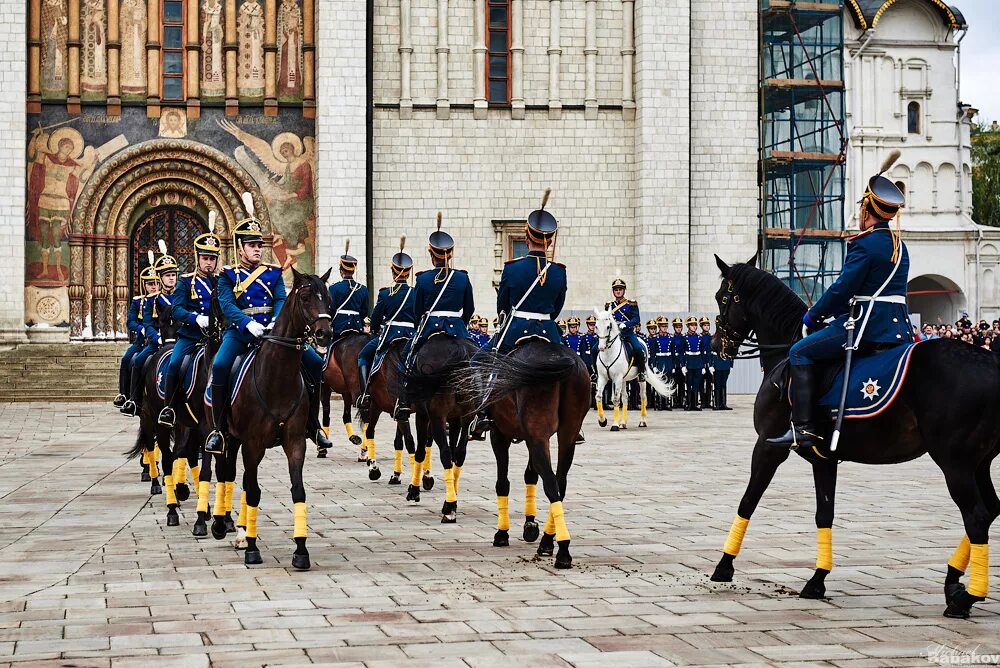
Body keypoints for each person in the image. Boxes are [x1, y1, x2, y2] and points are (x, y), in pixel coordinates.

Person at [768, 157, 912, 449]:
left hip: (867, 325)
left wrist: (813, 315)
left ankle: (805, 428)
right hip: (897, 326)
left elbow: (842, 289)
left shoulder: (865, 244)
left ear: (867, 211)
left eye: (862, 208)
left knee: (799, 351)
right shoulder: (899, 245)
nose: (860, 213)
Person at [206, 193, 329, 454]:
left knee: (316, 363)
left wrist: (275, 319)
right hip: (240, 333)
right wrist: (245, 323)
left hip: (272, 334)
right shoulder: (228, 275)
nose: (257, 248)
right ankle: (218, 429)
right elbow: (227, 304)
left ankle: (313, 425)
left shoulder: (272, 273)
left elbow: (281, 298)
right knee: (219, 365)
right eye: (251, 245)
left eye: (259, 244)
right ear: (240, 248)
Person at [470, 199, 565, 438]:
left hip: (516, 328)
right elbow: (556, 308)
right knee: (569, 369)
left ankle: (481, 414)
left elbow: (503, 304)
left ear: (527, 238)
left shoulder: (512, 268)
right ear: (550, 241)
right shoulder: (559, 271)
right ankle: (573, 421)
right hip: (548, 330)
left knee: (480, 361)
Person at [394, 214, 475, 421]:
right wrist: (460, 326)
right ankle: (481, 410)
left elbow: (418, 310)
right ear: (450, 254)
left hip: (429, 328)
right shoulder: (462, 277)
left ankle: (403, 401)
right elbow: (470, 308)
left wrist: (421, 325)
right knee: (477, 359)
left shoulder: (423, 279)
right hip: (458, 328)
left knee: (407, 355)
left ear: (432, 255)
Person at [157, 224, 221, 427]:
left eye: (212, 259)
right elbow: (176, 310)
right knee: (175, 363)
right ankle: (169, 408)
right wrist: (196, 318)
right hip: (191, 335)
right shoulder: (185, 282)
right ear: (198, 259)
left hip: (216, 336)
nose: (208, 263)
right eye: (205, 258)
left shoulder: (221, 282)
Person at [357, 236, 416, 414]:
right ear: (408, 273)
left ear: (393, 272)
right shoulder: (415, 293)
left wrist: (375, 331)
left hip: (390, 335)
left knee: (363, 356)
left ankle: (365, 394)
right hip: (411, 337)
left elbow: (376, 318)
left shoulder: (385, 294)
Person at [121, 252, 173, 417]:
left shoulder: (179, 298)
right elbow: (140, 323)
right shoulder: (145, 301)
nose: (153, 287)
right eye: (149, 284)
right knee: (135, 360)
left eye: (173, 275)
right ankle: (131, 398)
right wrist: (151, 334)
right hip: (151, 341)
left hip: (174, 339)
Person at [114, 264, 159, 408]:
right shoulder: (138, 301)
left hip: (162, 338)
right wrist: (142, 329)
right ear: (144, 285)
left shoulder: (164, 299)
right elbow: (130, 322)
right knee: (128, 359)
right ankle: (126, 394)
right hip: (142, 341)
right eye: (150, 284)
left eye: (156, 283)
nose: (154, 287)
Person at [604, 279, 647, 374]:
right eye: (616, 289)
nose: (618, 291)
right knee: (595, 349)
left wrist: (626, 324)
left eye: (620, 289)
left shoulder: (631, 304)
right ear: (613, 291)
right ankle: (597, 373)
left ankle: (642, 372)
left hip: (627, 333)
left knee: (638, 348)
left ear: (624, 290)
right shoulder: (609, 305)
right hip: (613, 335)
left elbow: (636, 319)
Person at [328, 240, 369, 339]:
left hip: (339, 326)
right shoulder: (363, 289)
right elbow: (364, 311)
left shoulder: (333, 288)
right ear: (353, 271)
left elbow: (332, 310)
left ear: (341, 270)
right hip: (357, 325)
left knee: (330, 347)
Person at [681, 316, 705, 411]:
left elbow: (702, 352)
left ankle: (695, 404)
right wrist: (683, 365)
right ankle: (689, 404)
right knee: (689, 384)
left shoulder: (700, 337)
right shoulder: (684, 338)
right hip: (689, 363)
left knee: (696, 385)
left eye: (695, 325)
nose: (694, 327)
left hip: (698, 363)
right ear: (688, 326)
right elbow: (682, 353)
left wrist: (703, 366)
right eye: (692, 325)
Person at [651, 316, 674, 411]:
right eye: (662, 326)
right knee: (660, 383)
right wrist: (654, 365)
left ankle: (667, 403)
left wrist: (673, 365)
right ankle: (660, 403)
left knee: (668, 383)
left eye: (666, 326)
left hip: (668, 362)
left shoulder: (670, 338)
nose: (665, 328)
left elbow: (672, 353)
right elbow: (652, 354)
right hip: (659, 362)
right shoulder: (655, 339)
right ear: (659, 327)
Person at [698, 316, 714, 409]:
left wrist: (711, 364)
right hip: (702, 362)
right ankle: (703, 401)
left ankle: (708, 402)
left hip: (710, 362)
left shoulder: (712, 337)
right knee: (701, 383)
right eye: (705, 325)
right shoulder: (700, 337)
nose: (707, 327)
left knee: (709, 383)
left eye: (708, 325)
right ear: (701, 326)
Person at [670, 317, 686, 408]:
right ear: (674, 328)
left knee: (682, 383)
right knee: (674, 383)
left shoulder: (684, 338)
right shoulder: (672, 338)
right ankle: (675, 401)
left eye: (680, 327)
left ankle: (681, 401)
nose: (679, 328)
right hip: (674, 362)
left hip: (682, 362)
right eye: (677, 327)